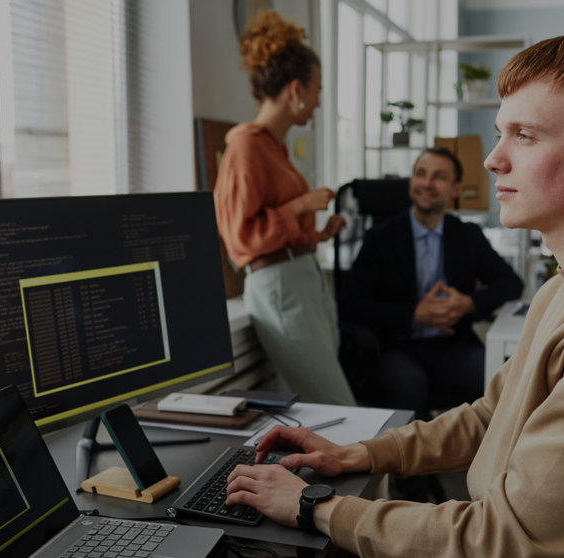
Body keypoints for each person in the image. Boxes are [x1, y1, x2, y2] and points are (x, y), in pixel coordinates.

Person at [225, 35, 564, 557]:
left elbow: (501, 538)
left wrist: (315, 505)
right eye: (501, 133)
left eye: (524, 136)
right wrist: (357, 455)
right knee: (403, 378)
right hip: (401, 347)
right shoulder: (555, 290)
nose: (493, 159)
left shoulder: (473, 242)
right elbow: (490, 415)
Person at [214, 11, 356, 406]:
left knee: (327, 400)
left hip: (299, 277)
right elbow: (241, 238)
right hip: (279, 285)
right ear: (296, 89)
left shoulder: (275, 146)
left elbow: (276, 227)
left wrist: (317, 233)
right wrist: (302, 204)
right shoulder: (245, 145)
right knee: (337, 403)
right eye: (317, 90)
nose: (317, 103)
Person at [339, 147, 523, 421]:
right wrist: (413, 315)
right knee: (408, 387)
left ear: (455, 188)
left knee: (508, 380)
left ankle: (492, 458)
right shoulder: (381, 238)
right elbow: (350, 304)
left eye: (438, 177)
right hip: (398, 346)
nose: (426, 183)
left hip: (452, 345)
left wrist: (467, 303)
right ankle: (410, 461)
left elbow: (511, 283)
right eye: (420, 174)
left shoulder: (467, 235)